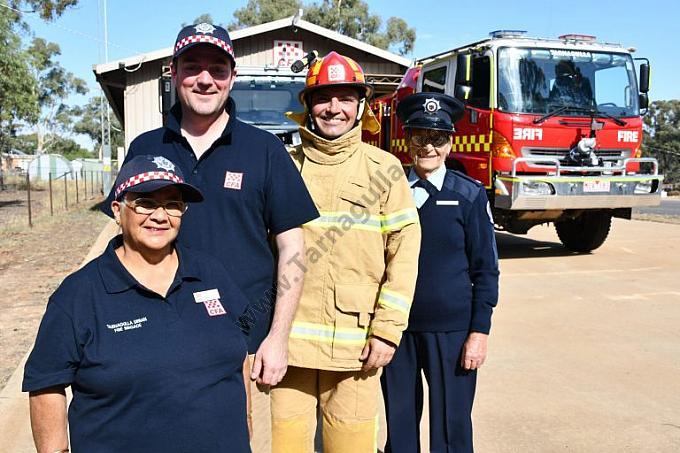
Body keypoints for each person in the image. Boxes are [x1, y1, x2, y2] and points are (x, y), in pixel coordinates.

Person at [101, 23, 319, 443]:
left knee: (233, 437)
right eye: (193, 67)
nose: (205, 79)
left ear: (231, 78)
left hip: (241, 340)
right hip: (156, 335)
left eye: (217, 69)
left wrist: (277, 336)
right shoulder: (146, 148)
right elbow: (123, 238)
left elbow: (293, 245)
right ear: (173, 72)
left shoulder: (265, 150)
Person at [23, 155, 252, 452]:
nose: (160, 216)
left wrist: (245, 422)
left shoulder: (212, 274)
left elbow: (238, 354)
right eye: (145, 202)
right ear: (118, 211)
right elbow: (46, 383)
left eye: (172, 204)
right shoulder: (79, 295)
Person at [270, 51, 421, 453]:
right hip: (290, 348)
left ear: (361, 107)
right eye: (324, 97)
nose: (334, 108)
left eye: (345, 98)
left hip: (357, 351)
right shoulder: (283, 165)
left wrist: (388, 331)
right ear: (307, 104)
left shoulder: (385, 170)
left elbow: (403, 258)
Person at [380, 92, 500, 453]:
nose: (427, 147)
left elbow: (486, 268)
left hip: (452, 329)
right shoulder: (389, 191)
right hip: (396, 328)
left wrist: (479, 332)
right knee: (399, 422)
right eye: (419, 138)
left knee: (452, 425)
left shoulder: (469, 195)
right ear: (407, 141)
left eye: (437, 139)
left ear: (449, 143)